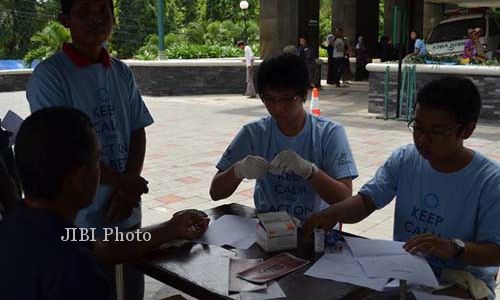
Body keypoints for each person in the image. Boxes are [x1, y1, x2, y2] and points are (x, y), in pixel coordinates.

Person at [304, 77, 500, 299]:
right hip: (406, 272)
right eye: (418, 127)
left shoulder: (490, 181)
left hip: (462, 283)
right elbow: (367, 201)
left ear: (466, 130)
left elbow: (495, 252)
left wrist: (455, 248)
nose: (422, 140)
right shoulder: (406, 159)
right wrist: (334, 213)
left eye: (436, 132)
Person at [0, 107, 209, 300]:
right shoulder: (75, 268)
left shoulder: (20, 224)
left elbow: (102, 246)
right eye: (97, 160)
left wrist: (171, 228)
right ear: (80, 178)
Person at [25, 0, 154, 299]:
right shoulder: (50, 76)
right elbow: (63, 148)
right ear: (65, 20)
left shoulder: (121, 72)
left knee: (131, 288)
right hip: (77, 220)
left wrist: (128, 187)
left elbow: (137, 129)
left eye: (102, 10)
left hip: (126, 211)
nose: (96, 19)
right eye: (84, 12)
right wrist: (123, 182)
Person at [209, 53, 358, 221]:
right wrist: (237, 170)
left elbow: (345, 199)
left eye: (287, 98)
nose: (278, 108)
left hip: (315, 230)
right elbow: (216, 192)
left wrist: (310, 171)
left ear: (303, 95)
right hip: (268, 228)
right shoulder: (254, 133)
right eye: (269, 99)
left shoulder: (329, 133)